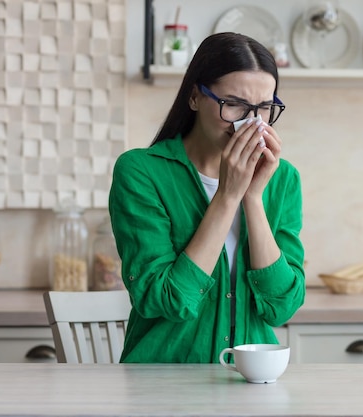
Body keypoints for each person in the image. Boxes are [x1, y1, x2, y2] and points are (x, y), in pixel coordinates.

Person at [108, 32, 305, 363]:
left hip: (249, 381)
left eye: (264, 107)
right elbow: (167, 298)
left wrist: (252, 197)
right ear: (195, 97)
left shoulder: (282, 178)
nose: (251, 122)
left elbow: (281, 306)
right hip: (163, 384)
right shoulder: (140, 171)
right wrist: (228, 196)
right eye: (235, 104)